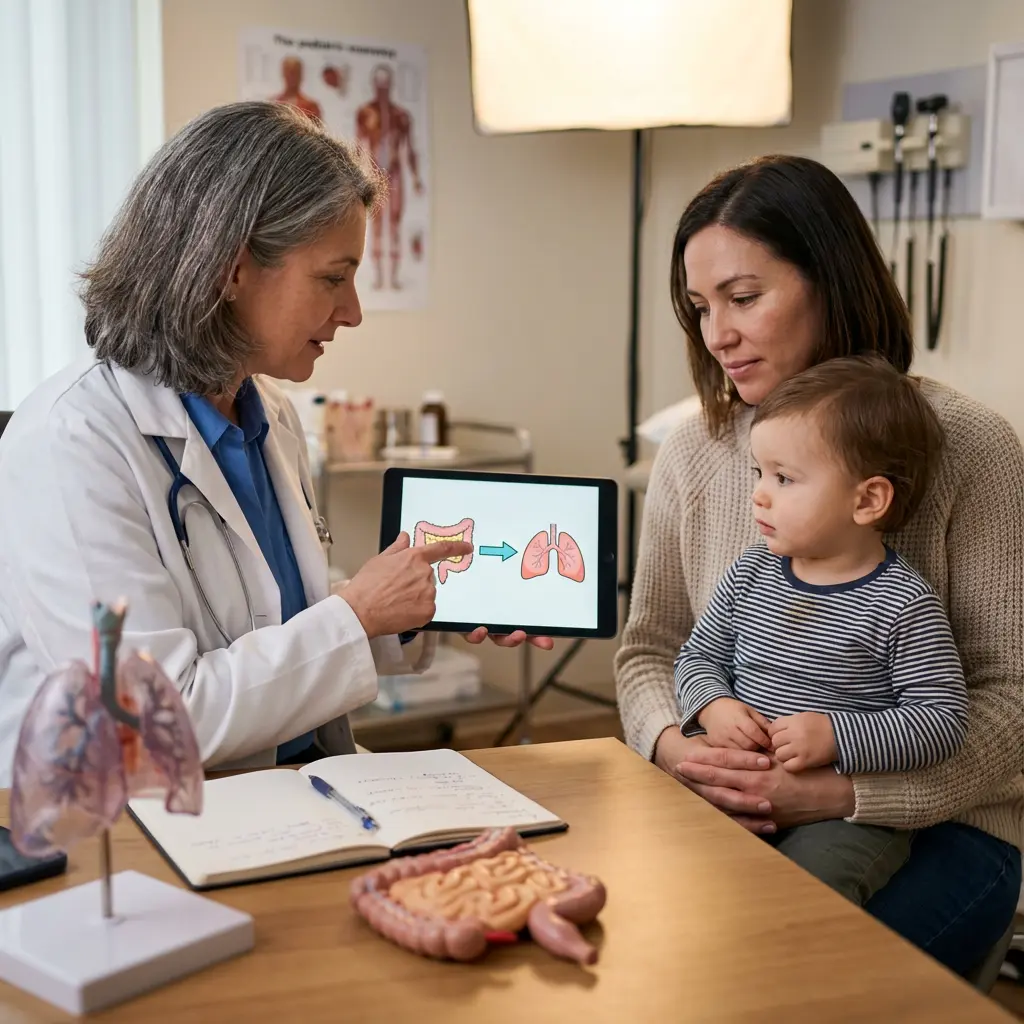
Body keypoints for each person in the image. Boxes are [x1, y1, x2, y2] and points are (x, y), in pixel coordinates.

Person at [0, 101, 547, 786]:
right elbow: (145, 724)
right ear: (231, 270)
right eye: (332, 278)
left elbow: (272, 625)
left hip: (296, 791)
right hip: (137, 831)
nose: (352, 312)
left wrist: (413, 608)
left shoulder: (269, 415)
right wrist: (357, 611)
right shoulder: (70, 443)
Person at [615, 154, 1023, 977]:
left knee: (780, 976)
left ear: (830, 280)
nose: (716, 334)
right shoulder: (694, 452)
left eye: (744, 297)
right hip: (736, 807)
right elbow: (649, 651)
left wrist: (842, 793)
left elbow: (1013, 701)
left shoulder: (972, 447)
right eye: (699, 307)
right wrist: (678, 747)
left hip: (941, 827)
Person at [675, 356, 968, 906]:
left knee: (803, 896)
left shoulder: (904, 604)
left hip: (841, 820)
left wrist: (837, 736)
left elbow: (941, 721)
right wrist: (712, 707)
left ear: (866, 500)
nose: (760, 494)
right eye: (758, 473)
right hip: (737, 789)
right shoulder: (749, 573)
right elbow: (697, 658)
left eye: (784, 478)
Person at [355, 64, 423, 291]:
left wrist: (416, 178)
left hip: (394, 175)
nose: (382, 89)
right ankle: (377, 276)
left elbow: (410, 149)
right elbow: (358, 148)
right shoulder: (365, 113)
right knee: (375, 225)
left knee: (393, 223)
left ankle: (392, 277)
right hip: (374, 174)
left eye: (386, 85)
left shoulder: (401, 116)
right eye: (379, 85)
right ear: (374, 85)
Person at [274, 56, 323, 123]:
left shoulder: (311, 106)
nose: (292, 77)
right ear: (283, 73)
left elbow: (317, 131)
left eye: (295, 73)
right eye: (289, 72)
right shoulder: (273, 103)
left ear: (301, 75)